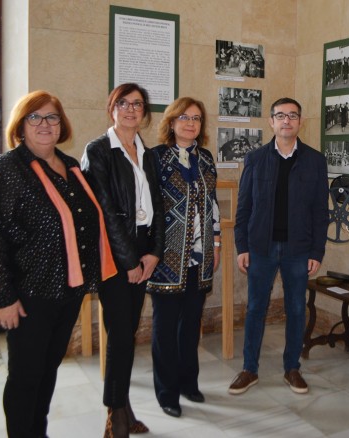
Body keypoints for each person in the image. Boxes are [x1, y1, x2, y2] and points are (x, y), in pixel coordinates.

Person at [0, 90, 116, 438]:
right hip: (28, 294)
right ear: (21, 126)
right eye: (34, 117)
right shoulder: (5, 169)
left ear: (61, 124)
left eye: (51, 117)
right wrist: (2, 296)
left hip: (67, 290)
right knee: (25, 375)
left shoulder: (69, 167)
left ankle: (38, 431)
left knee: (48, 368)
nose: (44, 124)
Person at [228, 97, 329, 396]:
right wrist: (242, 246)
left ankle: (292, 368)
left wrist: (317, 251)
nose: (287, 121)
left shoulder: (315, 160)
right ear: (271, 121)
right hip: (261, 247)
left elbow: (320, 212)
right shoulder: (256, 159)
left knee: (296, 309)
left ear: (300, 122)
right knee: (256, 308)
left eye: (293, 115)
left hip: (298, 250)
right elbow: (243, 206)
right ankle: (249, 369)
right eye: (281, 115)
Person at [80, 83, 164, 438]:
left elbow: (159, 208)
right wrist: (128, 259)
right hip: (114, 253)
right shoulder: (98, 151)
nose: (131, 110)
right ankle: (115, 414)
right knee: (119, 334)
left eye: (138, 105)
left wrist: (153, 253)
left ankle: (124, 406)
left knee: (127, 332)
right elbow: (103, 213)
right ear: (111, 108)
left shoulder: (148, 152)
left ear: (144, 113)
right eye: (124, 104)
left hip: (143, 249)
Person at [146, 97, 221, 419]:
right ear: (172, 122)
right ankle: (167, 392)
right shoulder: (156, 158)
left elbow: (213, 204)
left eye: (196, 119)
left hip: (199, 259)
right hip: (165, 259)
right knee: (165, 329)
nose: (190, 124)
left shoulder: (205, 159)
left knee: (191, 325)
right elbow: (146, 208)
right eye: (184, 118)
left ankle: (189, 383)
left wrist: (216, 244)